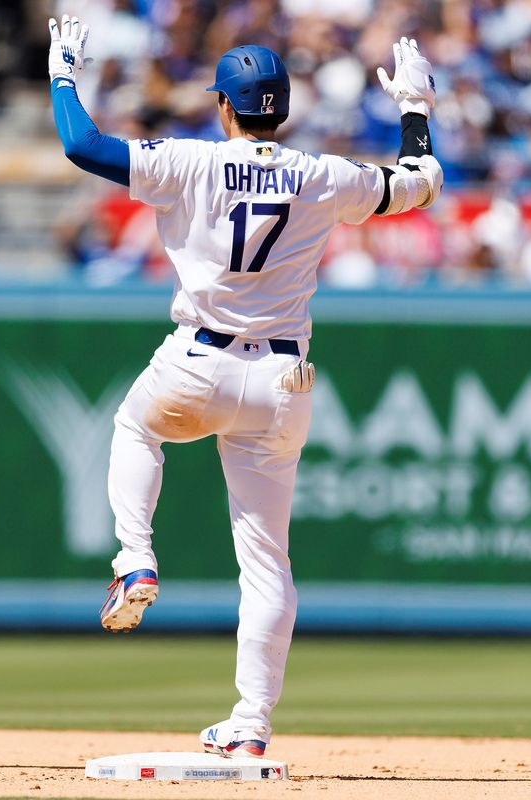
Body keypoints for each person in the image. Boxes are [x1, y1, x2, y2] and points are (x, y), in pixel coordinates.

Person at [48, 16, 442, 758]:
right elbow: (421, 183)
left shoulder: (188, 163)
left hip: (198, 360)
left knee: (137, 428)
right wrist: (416, 108)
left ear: (224, 107)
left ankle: (135, 557)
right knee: (266, 560)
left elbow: (80, 144)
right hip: (281, 379)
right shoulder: (325, 175)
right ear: (282, 109)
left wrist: (64, 74)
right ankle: (251, 725)